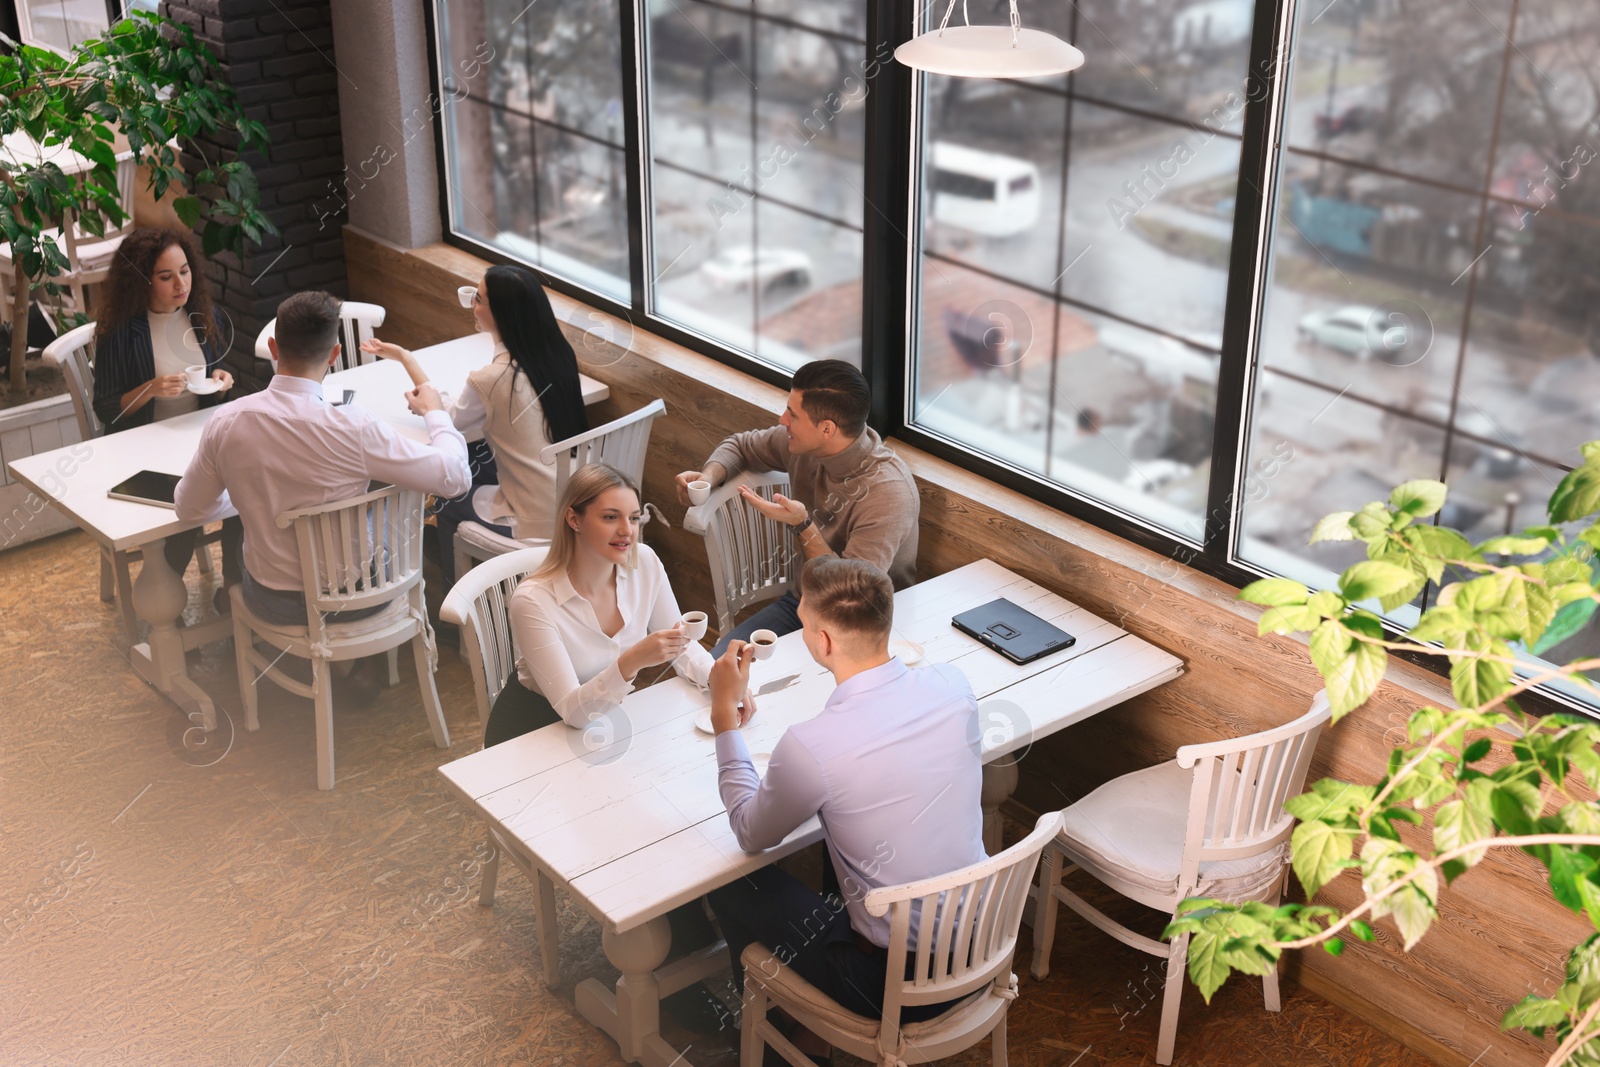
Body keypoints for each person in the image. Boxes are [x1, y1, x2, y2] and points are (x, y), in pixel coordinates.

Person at [704, 556, 985, 1059]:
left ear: (823, 642)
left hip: (894, 989)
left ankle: (772, 1044)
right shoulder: (954, 686)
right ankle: (807, 1025)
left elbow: (750, 831)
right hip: (980, 946)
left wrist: (725, 721)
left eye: (804, 622)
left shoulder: (812, 747)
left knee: (732, 883)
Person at [174, 290, 471, 698]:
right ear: (334, 355)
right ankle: (362, 661)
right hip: (357, 600)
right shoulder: (357, 427)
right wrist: (435, 412)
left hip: (274, 601)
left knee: (248, 531)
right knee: (387, 504)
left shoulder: (226, 421)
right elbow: (455, 478)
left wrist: (250, 496)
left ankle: (331, 666)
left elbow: (189, 509)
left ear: (274, 349)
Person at [491, 462, 753, 744]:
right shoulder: (532, 601)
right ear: (573, 519)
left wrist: (719, 681)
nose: (627, 530)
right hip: (534, 733)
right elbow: (573, 712)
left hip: (604, 724)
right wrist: (632, 661)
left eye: (634, 518)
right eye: (610, 517)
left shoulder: (646, 561)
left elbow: (682, 644)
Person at [361, 265, 589, 589]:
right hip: (575, 502)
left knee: (448, 497)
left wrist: (423, 401)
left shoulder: (491, 378)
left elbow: (446, 421)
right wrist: (407, 359)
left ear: (501, 314)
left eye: (478, 299)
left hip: (534, 524)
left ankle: (462, 602)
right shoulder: (557, 356)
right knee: (476, 456)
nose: (472, 305)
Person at [674, 359, 919, 654]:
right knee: (716, 667)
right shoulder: (806, 446)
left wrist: (802, 526)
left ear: (827, 429)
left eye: (792, 414)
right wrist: (706, 478)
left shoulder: (888, 493)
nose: (782, 420)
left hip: (867, 626)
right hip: (803, 604)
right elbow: (740, 446)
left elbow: (850, 594)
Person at [92, 228, 241, 588]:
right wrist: (151, 389)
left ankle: (236, 589)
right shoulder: (120, 332)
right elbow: (106, 408)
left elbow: (210, 390)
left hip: (197, 439)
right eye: (166, 276)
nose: (181, 284)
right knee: (183, 509)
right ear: (142, 280)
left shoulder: (205, 316)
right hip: (144, 451)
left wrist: (221, 381)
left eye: (185, 271)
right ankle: (166, 608)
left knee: (246, 493)